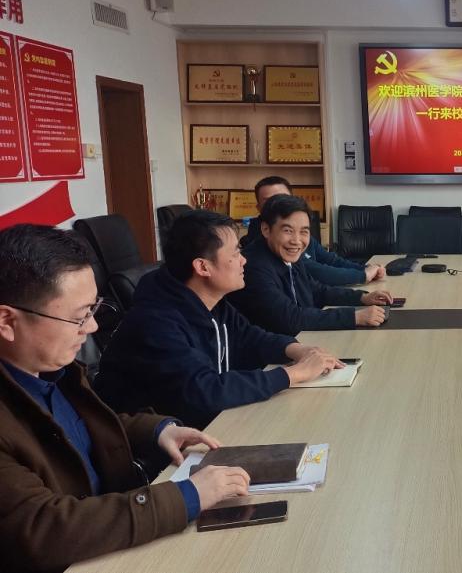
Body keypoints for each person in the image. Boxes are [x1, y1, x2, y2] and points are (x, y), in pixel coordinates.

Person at [0, 224, 251, 573]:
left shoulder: (52, 370)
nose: (92, 328)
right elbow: (43, 529)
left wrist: (158, 430)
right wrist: (186, 497)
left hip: (115, 536)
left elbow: (79, 428)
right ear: (7, 321)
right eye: (78, 317)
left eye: (93, 310)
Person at [95, 210, 343, 429]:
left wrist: (297, 349)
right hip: (164, 446)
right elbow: (206, 390)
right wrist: (295, 374)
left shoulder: (211, 299)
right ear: (203, 267)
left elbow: (249, 337)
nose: (244, 260)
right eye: (235, 253)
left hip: (213, 423)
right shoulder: (155, 321)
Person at [230, 194, 392, 335]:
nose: (296, 241)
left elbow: (317, 291)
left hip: (301, 341)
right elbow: (290, 319)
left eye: (304, 232)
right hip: (270, 355)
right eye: (288, 231)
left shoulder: (288, 255)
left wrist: (362, 297)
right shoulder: (253, 267)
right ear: (266, 229)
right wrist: (355, 317)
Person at [239, 176, 386, 286]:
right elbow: (315, 271)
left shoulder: (299, 232)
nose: (278, 205)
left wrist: (366, 269)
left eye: (283, 198)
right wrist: (362, 275)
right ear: (259, 209)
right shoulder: (267, 240)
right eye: (269, 201)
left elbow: (330, 260)